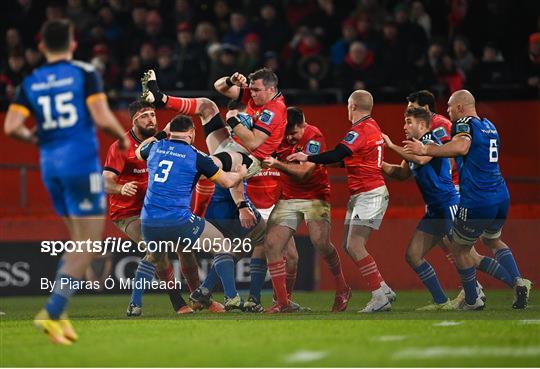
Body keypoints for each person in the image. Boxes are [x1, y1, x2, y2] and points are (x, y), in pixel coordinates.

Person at [4, 19, 127, 345]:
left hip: (50, 168)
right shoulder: (84, 73)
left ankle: (60, 315)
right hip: (80, 166)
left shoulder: (31, 81)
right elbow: (101, 117)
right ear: (73, 45)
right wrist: (122, 138)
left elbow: (12, 126)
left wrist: (35, 139)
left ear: (42, 47)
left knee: (78, 241)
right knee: (90, 243)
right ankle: (52, 311)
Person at [404, 89, 532, 309]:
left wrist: (426, 148)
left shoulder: (462, 123)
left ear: (461, 107)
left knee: (460, 249)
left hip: (477, 198)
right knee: (492, 240)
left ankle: (473, 298)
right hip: (501, 195)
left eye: (450, 107)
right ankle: (518, 280)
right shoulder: (490, 125)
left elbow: (462, 147)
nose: (448, 111)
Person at [288, 90, 396, 313]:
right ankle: (384, 289)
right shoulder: (373, 126)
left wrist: (307, 157)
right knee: (350, 244)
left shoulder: (360, 130)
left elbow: (338, 154)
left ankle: (378, 296)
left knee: (355, 245)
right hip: (364, 193)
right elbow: (347, 160)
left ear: (353, 106)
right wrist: (320, 162)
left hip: (370, 193)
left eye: (348, 105)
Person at [129, 114, 248, 314]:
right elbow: (227, 182)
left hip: (148, 220)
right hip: (178, 220)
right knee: (223, 245)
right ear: (192, 133)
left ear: (170, 132)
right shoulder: (197, 156)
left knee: (153, 256)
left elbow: (138, 151)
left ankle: (135, 304)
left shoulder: (156, 147)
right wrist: (241, 174)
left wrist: (161, 134)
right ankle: (232, 297)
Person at [102, 100, 210, 316]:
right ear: (134, 121)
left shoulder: (163, 142)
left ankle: (199, 298)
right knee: (156, 250)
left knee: (186, 248)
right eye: (145, 116)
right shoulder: (121, 145)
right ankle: (177, 302)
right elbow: (105, 181)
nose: (151, 119)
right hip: (129, 213)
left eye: (153, 114)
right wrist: (122, 188)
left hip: (160, 210)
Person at [262, 107, 351, 313]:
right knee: (272, 245)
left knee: (321, 243)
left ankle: (343, 288)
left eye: (294, 133)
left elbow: (304, 172)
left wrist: (277, 164)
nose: (290, 138)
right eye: (287, 134)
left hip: (315, 195)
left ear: (304, 125)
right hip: (288, 197)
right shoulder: (279, 137)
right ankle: (283, 303)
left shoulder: (314, 136)